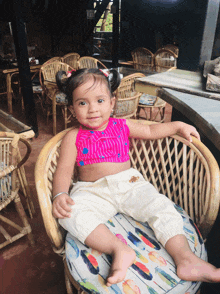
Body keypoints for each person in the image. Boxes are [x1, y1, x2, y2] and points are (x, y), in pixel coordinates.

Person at [52, 68, 220, 287]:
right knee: (69, 214)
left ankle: (185, 258)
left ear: (112, 103)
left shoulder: (121, 125)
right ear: (72, 108)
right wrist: (60, 194)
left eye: (100, 100)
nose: (92, 109)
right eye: (82, 103)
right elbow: (64, 170)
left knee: (161, 207)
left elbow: (151, 132)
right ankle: (118, 249)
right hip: (91, 190)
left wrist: (178, 125)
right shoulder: (73, 136)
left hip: (129, 184)